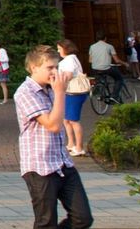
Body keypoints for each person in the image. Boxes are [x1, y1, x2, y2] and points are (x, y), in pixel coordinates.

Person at [15, 45, 93, 229]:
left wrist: (58, 90)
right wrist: (60, 92)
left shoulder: (51, 89)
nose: (54, 72)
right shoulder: (25, 92)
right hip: (39, 166)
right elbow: (53, 125)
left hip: (62, 162)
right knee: (46, 222)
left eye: (56, 67)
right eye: (49, 67)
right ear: (34, 67)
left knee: (82, 218)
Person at [56, 39, 89, 157]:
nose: (58, 51)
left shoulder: (69, 60)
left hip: (73, 93)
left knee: (73, 121)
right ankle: (71, 144)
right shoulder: (71, 59)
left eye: (59, 48)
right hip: (71, 93)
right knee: (67, 119)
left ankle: (79, 147)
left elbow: (68, 75)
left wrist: (56, 80)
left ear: (65, 48)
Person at [89, 31, 126, 103]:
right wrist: (124, 63)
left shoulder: (92, 47)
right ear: (105, 38)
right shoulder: (109, 46)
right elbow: (117, 60)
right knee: (119, 79)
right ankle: (114, 96)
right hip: (106, 68)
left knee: (100, 80)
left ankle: (101, 93)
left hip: (95, 68)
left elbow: (90, 60)